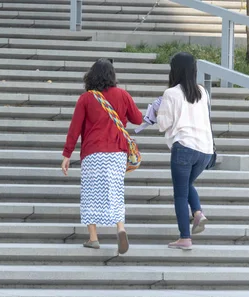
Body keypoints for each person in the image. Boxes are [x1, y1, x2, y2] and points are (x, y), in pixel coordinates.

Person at [61, 58, 143, 254]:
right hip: (116, 153)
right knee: (115, 190)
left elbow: (75, 128)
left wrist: (66, 155)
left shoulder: (86, 98)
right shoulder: (122, 95)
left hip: (93, 153)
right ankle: (120, 229)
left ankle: (93, 238)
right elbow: (138, 119)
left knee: (90, 194)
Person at [156, 52, 214, 250]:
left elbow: (163, 124)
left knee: (180, 193)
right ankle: (197, 213)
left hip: (184, 148)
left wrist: (157, 111)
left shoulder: (171, 93)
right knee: (187, 184)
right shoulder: (202, 92)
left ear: (175, 70)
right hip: (205, 151)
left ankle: (185, 238)